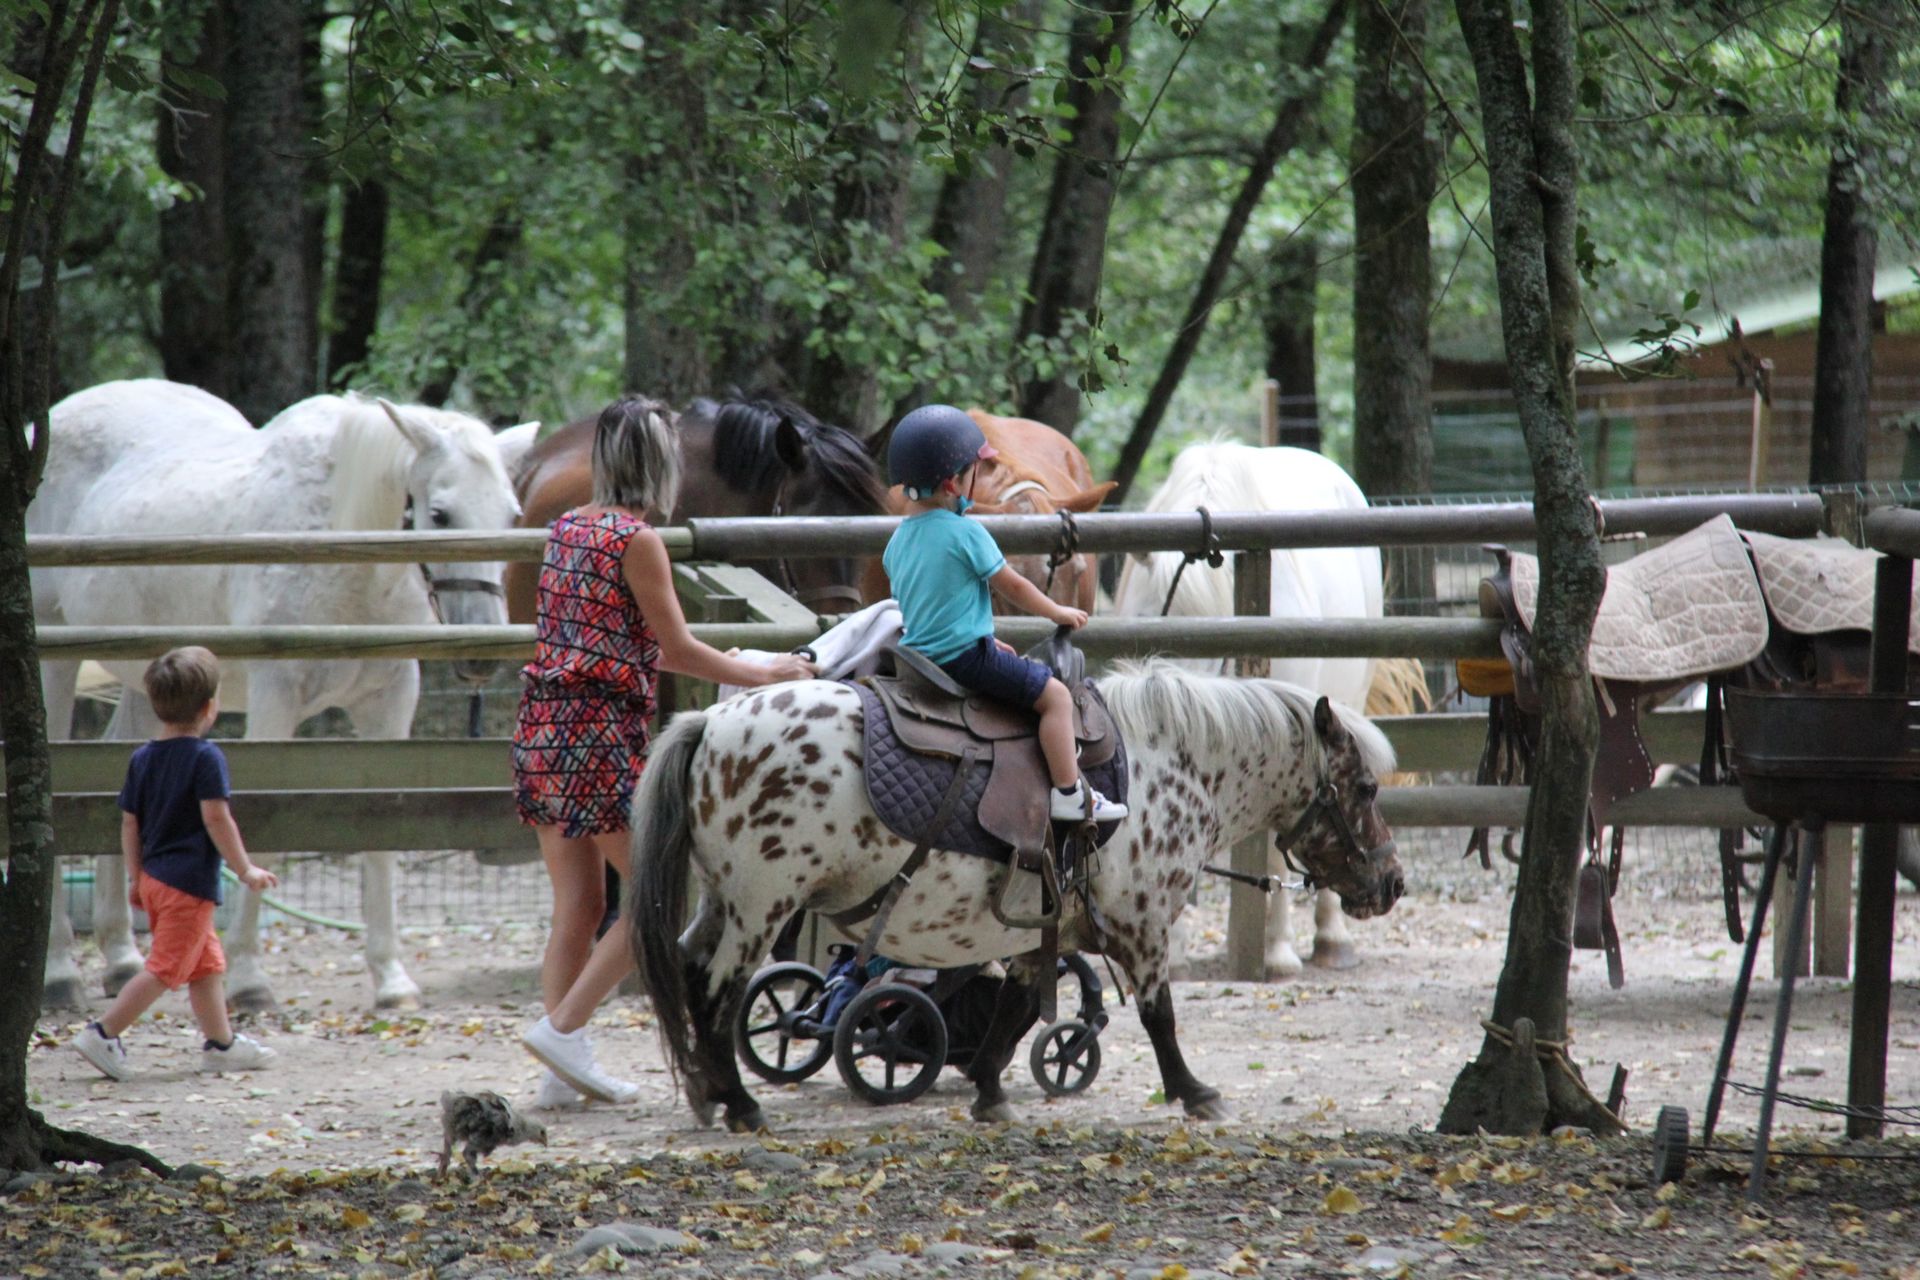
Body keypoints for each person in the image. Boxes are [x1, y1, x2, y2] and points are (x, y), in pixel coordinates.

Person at [515, 396, 814, 1107]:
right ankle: (562, 1031)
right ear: (659, 465)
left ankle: (561, 1073)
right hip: (596, 735)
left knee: (580, 905)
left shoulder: (565, 529)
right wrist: (767, 671)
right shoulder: (636, 540)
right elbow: (677, 649)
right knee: (659, 895)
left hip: (540, 729)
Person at [882, 404, 1126, 823]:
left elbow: (925, 600)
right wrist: (1058, 611)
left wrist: (978, 632)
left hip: (918, 656)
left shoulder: (897, 541)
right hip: (963, 659)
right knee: (1055, 697)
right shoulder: (968, 532)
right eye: (975, 470)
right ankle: (1070, 794)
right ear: (953, 483)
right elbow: (1012, 584)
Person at [72, 646, 280, 1081]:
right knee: (166, 969)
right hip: (188, 885)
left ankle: (220, 1044)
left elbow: (130, 823)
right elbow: (216, 817)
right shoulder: (207, 758)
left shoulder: (142, 758)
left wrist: (136, 875)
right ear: (209, 707)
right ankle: (103, 1032)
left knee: (206, 964)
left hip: (154, 878)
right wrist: (246, 869)